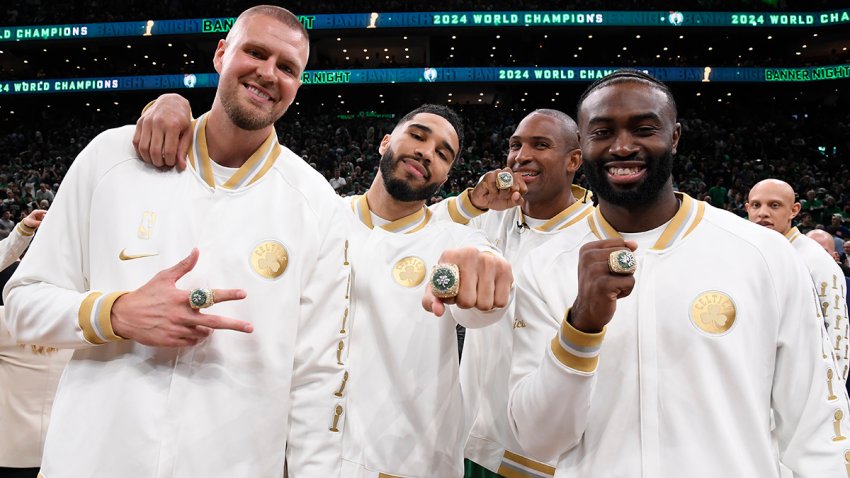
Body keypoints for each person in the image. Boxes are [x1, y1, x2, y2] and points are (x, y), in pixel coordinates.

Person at [3, 6, 350, 476]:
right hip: (91, 458)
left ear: (298, 85)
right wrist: (116, 313)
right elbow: (23, 304)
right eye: (255, 52)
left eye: (287, 67)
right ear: (221, 53)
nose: (268, 73)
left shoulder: (317, 205)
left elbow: (317, 379)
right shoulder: (112, 158)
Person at [135, 100, 515, 477]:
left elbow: (481, 298)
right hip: (290, 456)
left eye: (443, 154)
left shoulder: (455, 240)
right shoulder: (315, 218)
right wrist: (171, 103)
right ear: (385, 142)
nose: (426, 152)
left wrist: (488, 277)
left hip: (404, 463)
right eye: (418, 136)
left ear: (447, 175)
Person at [508, 70, 849, 476]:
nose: (622, 146)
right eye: (602, 132)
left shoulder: (764, 254)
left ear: (674, 137)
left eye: (644, 129)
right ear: (582, 146)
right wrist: (580, 328)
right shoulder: (543, 265)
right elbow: (537, 439)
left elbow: (816, 423)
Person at [431, 109, 592, 478]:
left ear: (574, 160)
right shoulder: (491, 216)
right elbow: (419, 232)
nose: (521, 156)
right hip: (469, 438)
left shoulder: (593, 236)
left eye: (541, 145)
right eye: (515, 145)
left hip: (542, 458)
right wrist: (473, 199)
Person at [746, 178, 848, 379]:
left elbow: (837, 340)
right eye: (756, 205)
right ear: (747, 209)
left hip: (799, 384)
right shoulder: (748, 256)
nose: (763, 212)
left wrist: (829, 400)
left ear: (794, 210)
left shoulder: (816, 260)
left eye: (774, 205)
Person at [0, 210, 73, 478]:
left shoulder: (6, 322)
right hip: (61, 452)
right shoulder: (81, 327)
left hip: (10, 452)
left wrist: (20, 235)